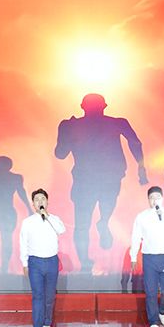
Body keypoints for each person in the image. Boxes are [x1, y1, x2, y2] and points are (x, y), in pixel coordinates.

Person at [55, 93, 147, 271]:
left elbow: (60, 153)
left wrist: (67, 131)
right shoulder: (115, 123)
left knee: (83, 222)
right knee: (89, 218)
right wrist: (141, 167)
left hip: (94, 177)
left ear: (82, 107)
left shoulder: (74, 125)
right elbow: (135, 142)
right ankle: (101, 227)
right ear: (104, 107)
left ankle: (95, 238)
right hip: (98, 177)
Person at [130, 186, 164, 327]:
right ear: (148, 200)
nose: (154, 200)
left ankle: (162, 312)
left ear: (162, 198)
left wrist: (163, 217)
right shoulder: (142, 216)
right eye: (152, 198)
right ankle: (153, 323)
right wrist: (133, 256)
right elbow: (136, 237)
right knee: (151, 292)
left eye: (157, 197)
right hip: (149, 258)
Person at [19, 189, 66, 327]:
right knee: (38, 295)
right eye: (37, 199)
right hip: (35, 262)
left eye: (43, 199)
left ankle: (47, 323)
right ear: (33, 204)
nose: (40, 201)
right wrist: (24, 263)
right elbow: (23, 243)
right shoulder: (28, 222)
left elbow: (61, 230)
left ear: (47, 202)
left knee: (49, 295)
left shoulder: (54, 219)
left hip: (51, 261)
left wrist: (47, 216)